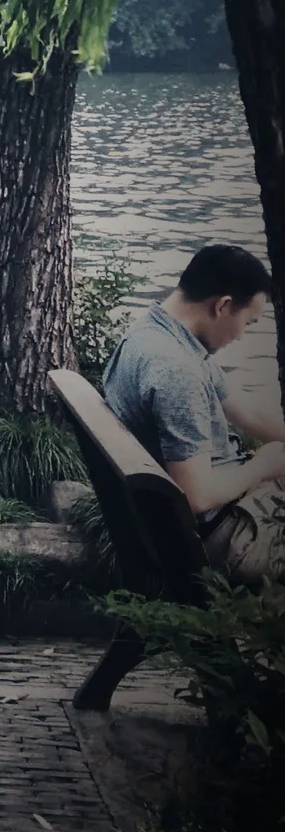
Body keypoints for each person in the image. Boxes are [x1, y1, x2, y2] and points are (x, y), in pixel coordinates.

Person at [103, 243, 285, 584]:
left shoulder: (158, 335)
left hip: (186, 526)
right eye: (248, 322)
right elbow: (197, 496)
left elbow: (244, 409)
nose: (242, 335)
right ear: (223, 306)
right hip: (221, 541)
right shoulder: (175, 371)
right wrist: (262, 466)